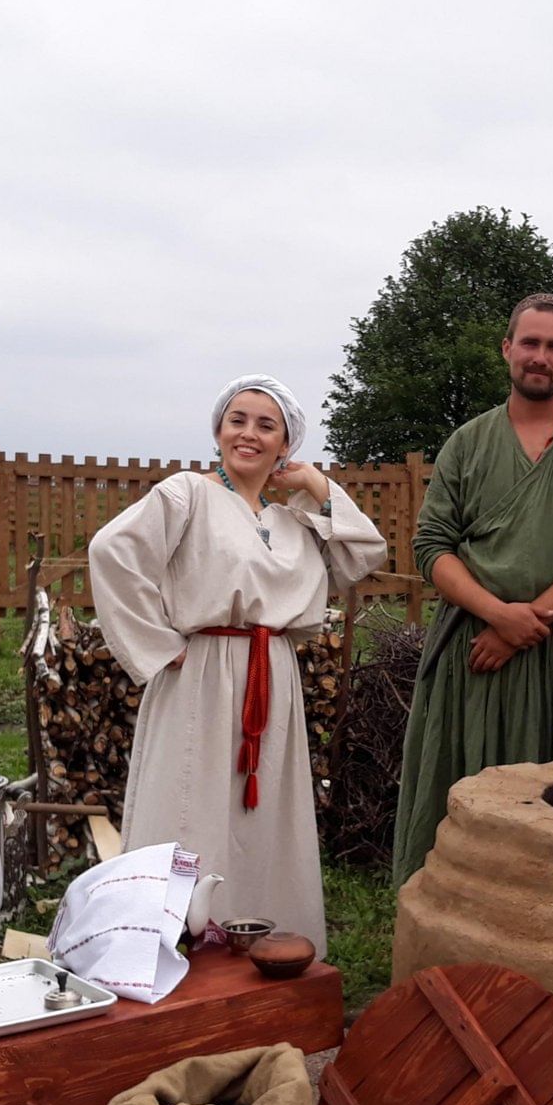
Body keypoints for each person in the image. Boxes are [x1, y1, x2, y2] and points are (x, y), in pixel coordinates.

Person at [88, 374, 386, 956]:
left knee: (264, 818)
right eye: (237, 420)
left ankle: (263, 942)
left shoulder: (291, 523)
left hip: (269, 676)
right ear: (219, 430)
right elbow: (112, 551)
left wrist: (314, 486)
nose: (248, 434)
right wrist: (158, 644)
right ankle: (171, 951)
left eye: (265, 425)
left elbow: (363, 552)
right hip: (199, 674)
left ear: (285, 445)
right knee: (190, 803)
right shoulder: (187, 495)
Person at [392, 294, 553, 885]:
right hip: (471, 653)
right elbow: (431, 547)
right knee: (464, 797)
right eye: (529, 343)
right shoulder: (468, 443)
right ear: (507, 349)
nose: (540, 356)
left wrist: (530, 620)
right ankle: (454, 923)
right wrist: (496, 616)